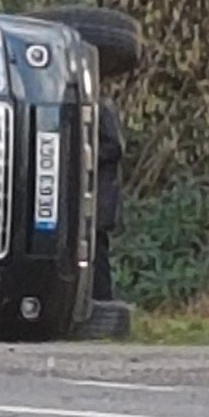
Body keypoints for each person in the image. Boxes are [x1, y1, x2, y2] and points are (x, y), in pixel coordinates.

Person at [94, 96, 125, 302]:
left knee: (98, 248)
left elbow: (115, 147)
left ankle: (104, 299)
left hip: (101, 195)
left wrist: (84, 155)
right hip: (95, 195)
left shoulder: (103, 108)